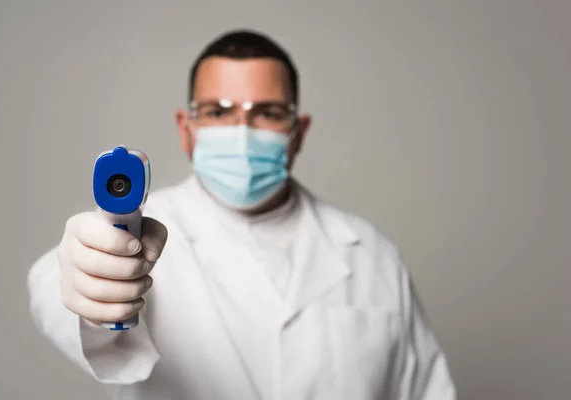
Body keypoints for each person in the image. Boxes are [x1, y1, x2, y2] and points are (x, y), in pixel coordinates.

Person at [27, 29, 456, 400]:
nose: (242, 132)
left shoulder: (373, 255)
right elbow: (54, 292)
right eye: (218, 111)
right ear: (186, 128)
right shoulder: (129, 233)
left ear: (297, 133)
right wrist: (88, 288)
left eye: (267, 113)